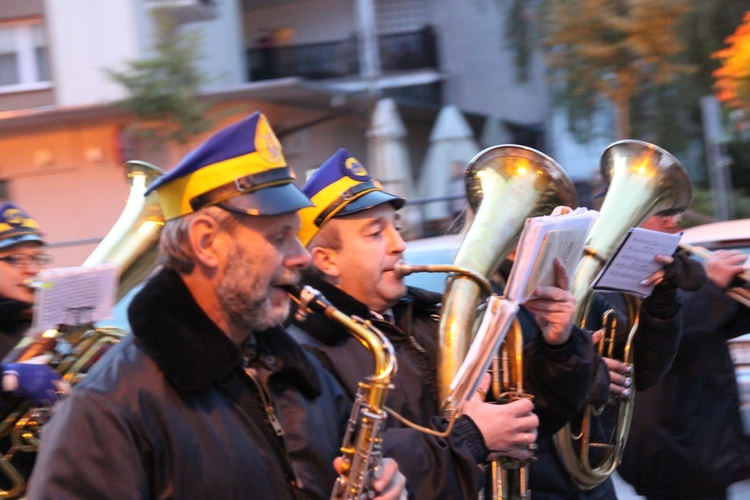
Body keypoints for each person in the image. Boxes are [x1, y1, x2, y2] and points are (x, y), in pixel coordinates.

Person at [26, 112, 406, 499]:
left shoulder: (300, 373)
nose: (302, 258)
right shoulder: (107, 409)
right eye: (279, 238)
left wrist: (387, 487)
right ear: (207, 242)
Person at [288, 148, 597, 498]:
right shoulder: (304, 353)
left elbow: (528, 419)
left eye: (397, 228)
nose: (399, 244)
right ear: (326, 260)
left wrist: (558, 346)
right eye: (376, 234)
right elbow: (346, 469)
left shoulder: (430, 319)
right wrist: (470, 437)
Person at [618, 215, 750, 499]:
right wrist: (713, 285)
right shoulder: (621, 272)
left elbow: (716, 324)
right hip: (672, 445)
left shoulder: (682, 265)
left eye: (675, 211)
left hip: (706, 438)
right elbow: (661, 333)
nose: (672, 220)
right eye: (661, 213)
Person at [0, 202, 63, 407]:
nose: (33, 269)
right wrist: (6, 377)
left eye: (37, 258)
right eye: (16, 259)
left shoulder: (38, 321)